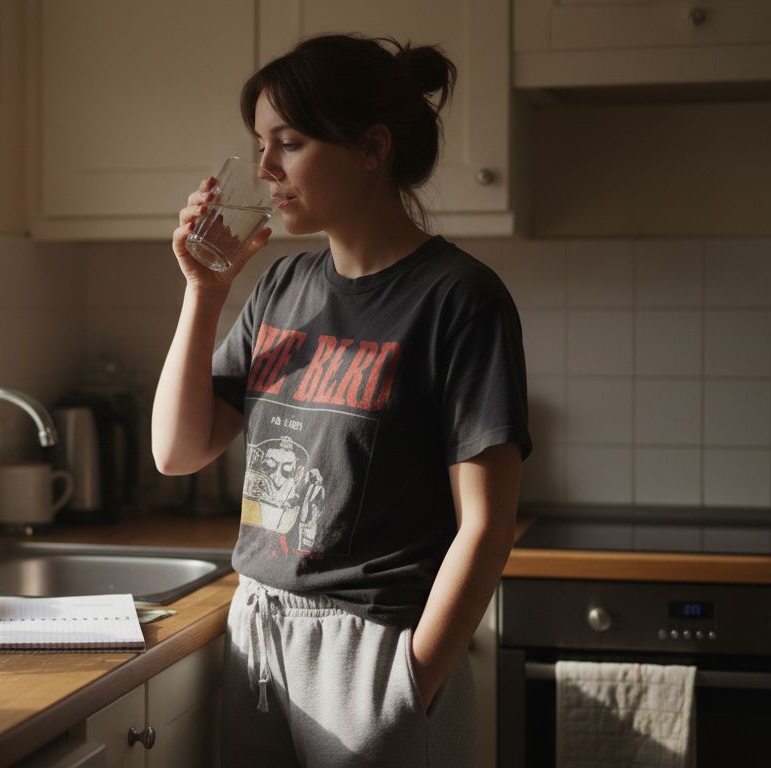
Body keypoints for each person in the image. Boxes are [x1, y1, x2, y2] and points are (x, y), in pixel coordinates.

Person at [151, 33, 532, 767]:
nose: (265, 169)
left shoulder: (458, 299)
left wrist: (408, 683)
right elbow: (178, 450)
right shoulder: (281, 289)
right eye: (260, 145)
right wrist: (206, 293)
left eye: (288, 143)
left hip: (376, 648)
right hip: (259, 633)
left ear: (371, 148)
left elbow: (487, 526)